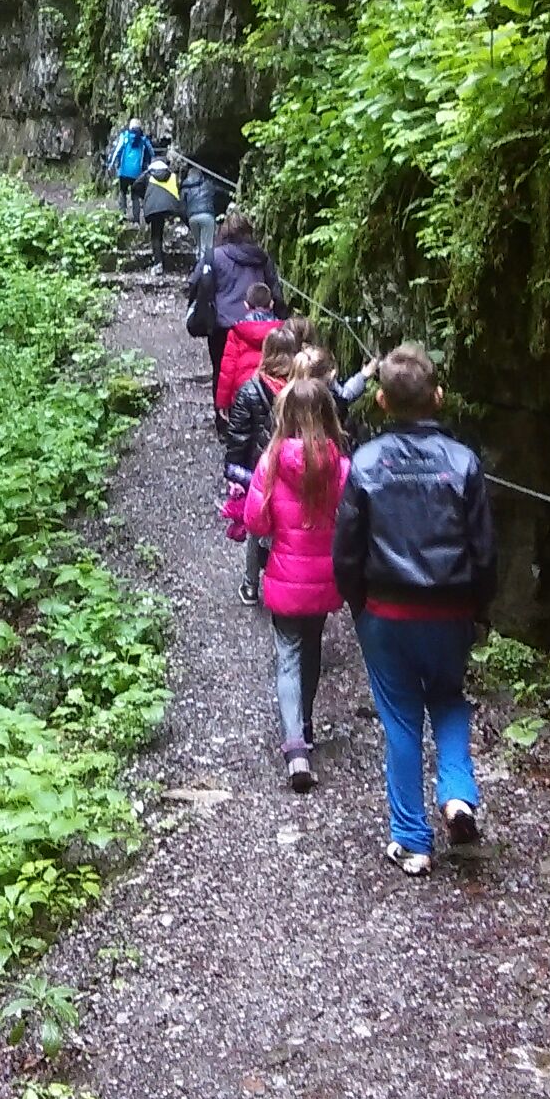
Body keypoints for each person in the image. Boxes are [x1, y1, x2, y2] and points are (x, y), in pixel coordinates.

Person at [332, 343, 497, 875]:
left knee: (401, 720)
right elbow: (484, 551)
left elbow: (347, 551)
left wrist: (359, 606)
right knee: (448, 699)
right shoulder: (464, 463)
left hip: (386, 612)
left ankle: (412, 840)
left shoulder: (365, 462)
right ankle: (457, 795)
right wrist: (479, 610)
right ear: (438, 397)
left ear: (381, 401)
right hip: (450, 611)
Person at [244, 379, 350, 791]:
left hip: (285, 577)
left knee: (287, 656)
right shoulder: (341, 466)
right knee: (312, 648)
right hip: (323, 579)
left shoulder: (271, 461)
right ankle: (305, 724)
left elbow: (256, 521)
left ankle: (295, 748)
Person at [225, 327, 301, 605]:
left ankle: (250, 585)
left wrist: (233, 471)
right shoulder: (301, 392)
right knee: (287, 528)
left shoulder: (249, 390)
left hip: (259, 472)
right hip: (293, 470)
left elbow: (238, 437)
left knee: (257, 529)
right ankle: (284, 581)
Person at [188, 211, 286, 427]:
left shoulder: (214, 256)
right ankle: (258, 420)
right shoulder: (261, 257)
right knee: (260, 370)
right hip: (259, 324)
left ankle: (224, 421)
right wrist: (283, 319)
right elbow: (275, 291)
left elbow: (195, 282)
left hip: (221, 325)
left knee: (221, 371)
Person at [215, 283, 283, 416]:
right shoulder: (282, 332)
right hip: (275, 390)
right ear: (271, 304)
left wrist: (223, 403)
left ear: (246, 305)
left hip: (243, 391)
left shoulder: (237, 332)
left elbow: (228, 369)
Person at [136, 158, 182, 276]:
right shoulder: (171, 175)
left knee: (155, 235)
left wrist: (145, 195)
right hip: (169, 206)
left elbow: (136, 186)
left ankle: (158, 263)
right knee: (159, 230)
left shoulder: (148, 175)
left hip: (153, 207)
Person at [109, 118, 153, 221]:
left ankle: (122, 215)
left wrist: (111, 164)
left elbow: (117, 150)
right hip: (137, 173)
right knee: (135, 195)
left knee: (123, 192)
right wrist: (148, 164)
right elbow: (151, 152)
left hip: (124, 171)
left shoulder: (124, 137)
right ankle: (136, 218)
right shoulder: (143, 140)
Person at [180, 165, 217, 259]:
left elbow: (182, 208)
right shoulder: (208, 184)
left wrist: (187, 221)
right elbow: (217, 194)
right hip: (207, 215)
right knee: (208, 245)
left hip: (192, 218)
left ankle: (200, 261)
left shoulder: (184, 188)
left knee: (200, 244)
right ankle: (206, 265)